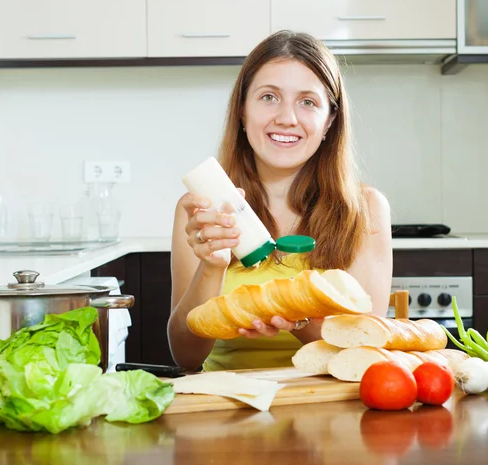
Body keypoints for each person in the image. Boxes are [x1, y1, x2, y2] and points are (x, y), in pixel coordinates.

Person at [168, 30, 392, 372]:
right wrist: (212, 266)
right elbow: (186, 356)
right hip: (225, 407)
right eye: (269, 97)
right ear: (242, 110)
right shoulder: (203, 210)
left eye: (308, 102)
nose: (287, 117)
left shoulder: (366, 210)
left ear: (330, 120)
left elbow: (362, 356)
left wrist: (296, 317)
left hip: (326, 409)